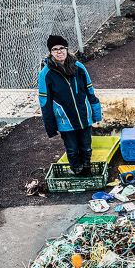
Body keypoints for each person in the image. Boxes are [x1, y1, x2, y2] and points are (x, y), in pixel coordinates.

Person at [37, 34, 102, 176]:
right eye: (55, 49)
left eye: (62, 48)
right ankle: (76, 170)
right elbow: (45, 102)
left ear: (67, 49)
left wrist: (97, 115)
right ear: (50, 52)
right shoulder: (45, 74)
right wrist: (51, 126)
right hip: (65, 120)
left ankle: (87, 168)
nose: (59, 51)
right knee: (72, 149)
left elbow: (90, 91)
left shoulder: (78, 67)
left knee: (86, 147)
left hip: (84, 116)